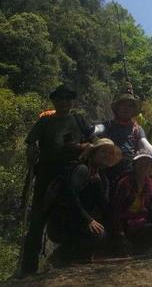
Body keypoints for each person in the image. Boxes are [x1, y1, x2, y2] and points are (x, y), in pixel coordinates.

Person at [21, 84, 93, 275]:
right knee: (38, 217)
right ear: (54, 101)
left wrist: (84, 148)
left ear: (72, 101)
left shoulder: (79, 120)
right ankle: (28, 268)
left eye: (68, 98)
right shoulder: (45, 121)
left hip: (72, 170)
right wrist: (31, 153)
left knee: (72, 211)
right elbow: (31, 143)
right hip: (47, 171)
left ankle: (70, 258)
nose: (64, 102)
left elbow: (92, 140)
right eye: (60, 98)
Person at [44, 138, 122, 265]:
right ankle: (62, 254)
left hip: (79, 222)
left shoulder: (102, 178)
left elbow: (104, 205)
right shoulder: (82, 170)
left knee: (108, 231)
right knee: (99, 234)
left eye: (110, 153)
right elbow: (70, 197)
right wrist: (88, 220)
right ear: (94, 153)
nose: (107, 155)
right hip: (63, 222)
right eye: (103, 151)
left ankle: (77, 256)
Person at [92, 92, 152, 192]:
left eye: (130, 106)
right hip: (106, 169)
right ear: (117, 108)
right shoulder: (107, 125)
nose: (126, 108)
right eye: (123, 105)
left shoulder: (137, 129)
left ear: (133, 110)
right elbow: (95, 130)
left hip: (128, 173)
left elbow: (145, 143)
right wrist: (91, 130)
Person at [111, 148, 152, 256]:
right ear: (135, 165)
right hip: (126, 222)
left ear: (151, 167)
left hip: (142, 220)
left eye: (147, 164)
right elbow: (116, 208)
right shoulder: (124, 183)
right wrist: (119, 231)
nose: (143, 166)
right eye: (140, 163)